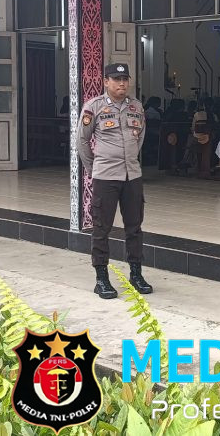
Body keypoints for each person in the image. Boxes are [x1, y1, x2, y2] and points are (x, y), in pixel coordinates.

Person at [77, 63, 153, 299]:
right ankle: (101, 278)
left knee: (134, 227)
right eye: (116, 79)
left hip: (132, 176)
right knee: (101, 228)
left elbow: (140, 137)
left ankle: (136, 274)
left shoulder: (136, 107)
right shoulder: (94, 107)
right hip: (105, 177)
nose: (121, 83)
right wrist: (95, 168)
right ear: (105, 82)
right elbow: (82, 141)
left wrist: (130, 158)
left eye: (125, 79)